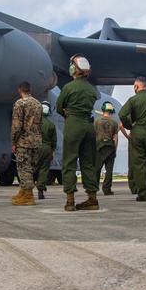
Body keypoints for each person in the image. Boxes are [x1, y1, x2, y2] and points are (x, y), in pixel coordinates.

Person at [56, 54, 101, 211]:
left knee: (69, 161)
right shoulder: (91, 89)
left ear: (73, 68)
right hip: (89, 126)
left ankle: (70, 201)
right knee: (88, 163)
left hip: (73, 124)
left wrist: (67, 113)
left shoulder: (68, 88)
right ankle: (92, 199)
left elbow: (58, 107)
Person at [119, 76, 146, 202]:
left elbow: (122, 114)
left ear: (136, 86)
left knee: (139, 164)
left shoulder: (133, 99)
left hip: (138, 132)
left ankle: (144, 193)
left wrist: (129, 126)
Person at [10, 82, 42, 206]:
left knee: (24, 169)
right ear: (31, 90)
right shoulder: (38, 104)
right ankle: (23, 191)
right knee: (30, 168)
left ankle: (28, 196)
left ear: (20, 91)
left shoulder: (20, 104)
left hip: (24, 141)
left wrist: (13, 142)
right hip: (36, 140)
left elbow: (16, 126)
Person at [94, 101, 119, 196]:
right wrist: (115, 150)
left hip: (100, 146)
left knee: (97, 169)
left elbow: (93, 135)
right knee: (109, 170)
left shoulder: (97, 121)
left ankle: (94, 188)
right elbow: (116, 138)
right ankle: (107, 189)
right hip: (110, 146)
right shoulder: (114, 122)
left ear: (103, 109)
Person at [35, 101, 57, 200]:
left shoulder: (34, 123)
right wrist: (52, 152)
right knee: (44, 170)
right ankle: (41, 191)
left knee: (33, 169)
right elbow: (54, 141)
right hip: (47, 148)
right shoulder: (51, 125)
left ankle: (27, 190)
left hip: (35, 148)